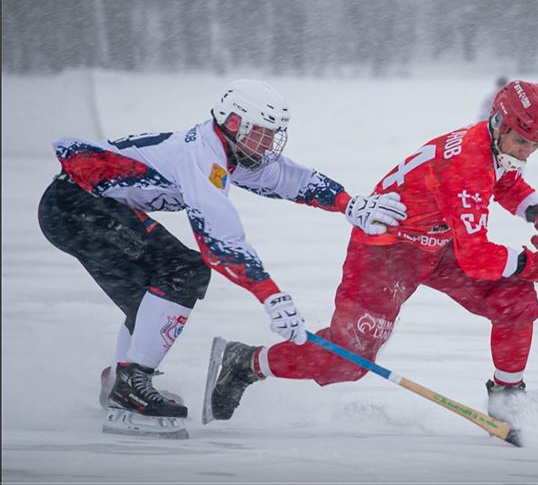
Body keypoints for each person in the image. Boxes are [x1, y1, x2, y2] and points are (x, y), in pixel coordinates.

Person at [37, 79, 407, 437]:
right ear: (233, 122)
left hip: (79, 207)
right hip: (73, 208)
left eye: (273, 134)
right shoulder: (203, 156)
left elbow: (289, 178)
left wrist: (350, 204)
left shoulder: (233, 150)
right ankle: (131, 383)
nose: (269, 144)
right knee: (183, 270)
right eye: (262, 133)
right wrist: (270, 295)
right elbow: (220, 241)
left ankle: (122, 381)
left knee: (152, 301)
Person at [206, 80, 538, 426]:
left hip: (436, 246)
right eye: (522, 141)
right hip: (386, 253)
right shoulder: (467, 164)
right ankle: (246, 362)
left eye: (536, 145)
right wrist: (533, 264)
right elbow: (477, 257)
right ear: (500, 122)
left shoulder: (489, 144)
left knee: (514, 299)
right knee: (349, 361)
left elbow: (505, 179)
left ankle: (507, 397)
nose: (527, 152)